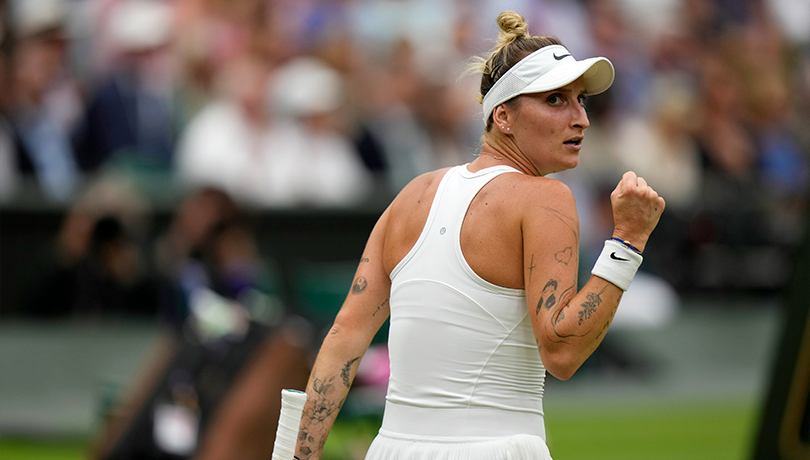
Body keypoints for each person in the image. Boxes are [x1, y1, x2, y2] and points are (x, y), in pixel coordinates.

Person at [294, 10, 666, 460]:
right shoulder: (547, 199)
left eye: (580, 99)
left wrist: (292, 457)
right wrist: (628, 241)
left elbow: (343, 341)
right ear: (503, 116)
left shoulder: (412, 196)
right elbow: (562, 353)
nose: (581, 119)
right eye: (555, 100)